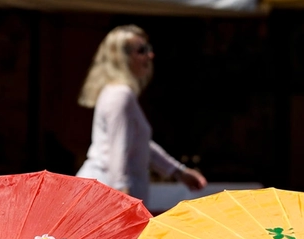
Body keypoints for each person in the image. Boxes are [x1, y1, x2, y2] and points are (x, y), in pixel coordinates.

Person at [76, 26, 206, 206]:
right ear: (121, 57)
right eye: (142, 50)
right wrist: (123, 196)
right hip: (106, 193)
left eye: (149, 49)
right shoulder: (120, 95)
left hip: (105, 190)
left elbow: (138, 142)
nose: (150, 56)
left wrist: (179, 171)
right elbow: (117, 150)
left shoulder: (118, 92)